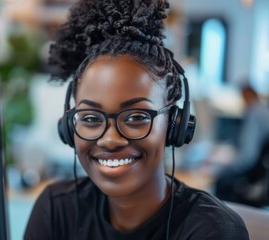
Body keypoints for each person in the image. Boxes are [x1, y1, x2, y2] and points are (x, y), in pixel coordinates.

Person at [24, 0, 249, 239]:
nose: (110, 140)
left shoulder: (212, 230)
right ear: (69, 128)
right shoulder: (57, 209)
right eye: (91, 118)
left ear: (174, 124)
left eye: (135, 117)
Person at [215, 84, 269, 206]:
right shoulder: (263, 111)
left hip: (253, 181)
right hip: (260, 178)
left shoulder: (254, 113)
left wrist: (221, 167)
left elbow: (246, 158)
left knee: (220, 181)